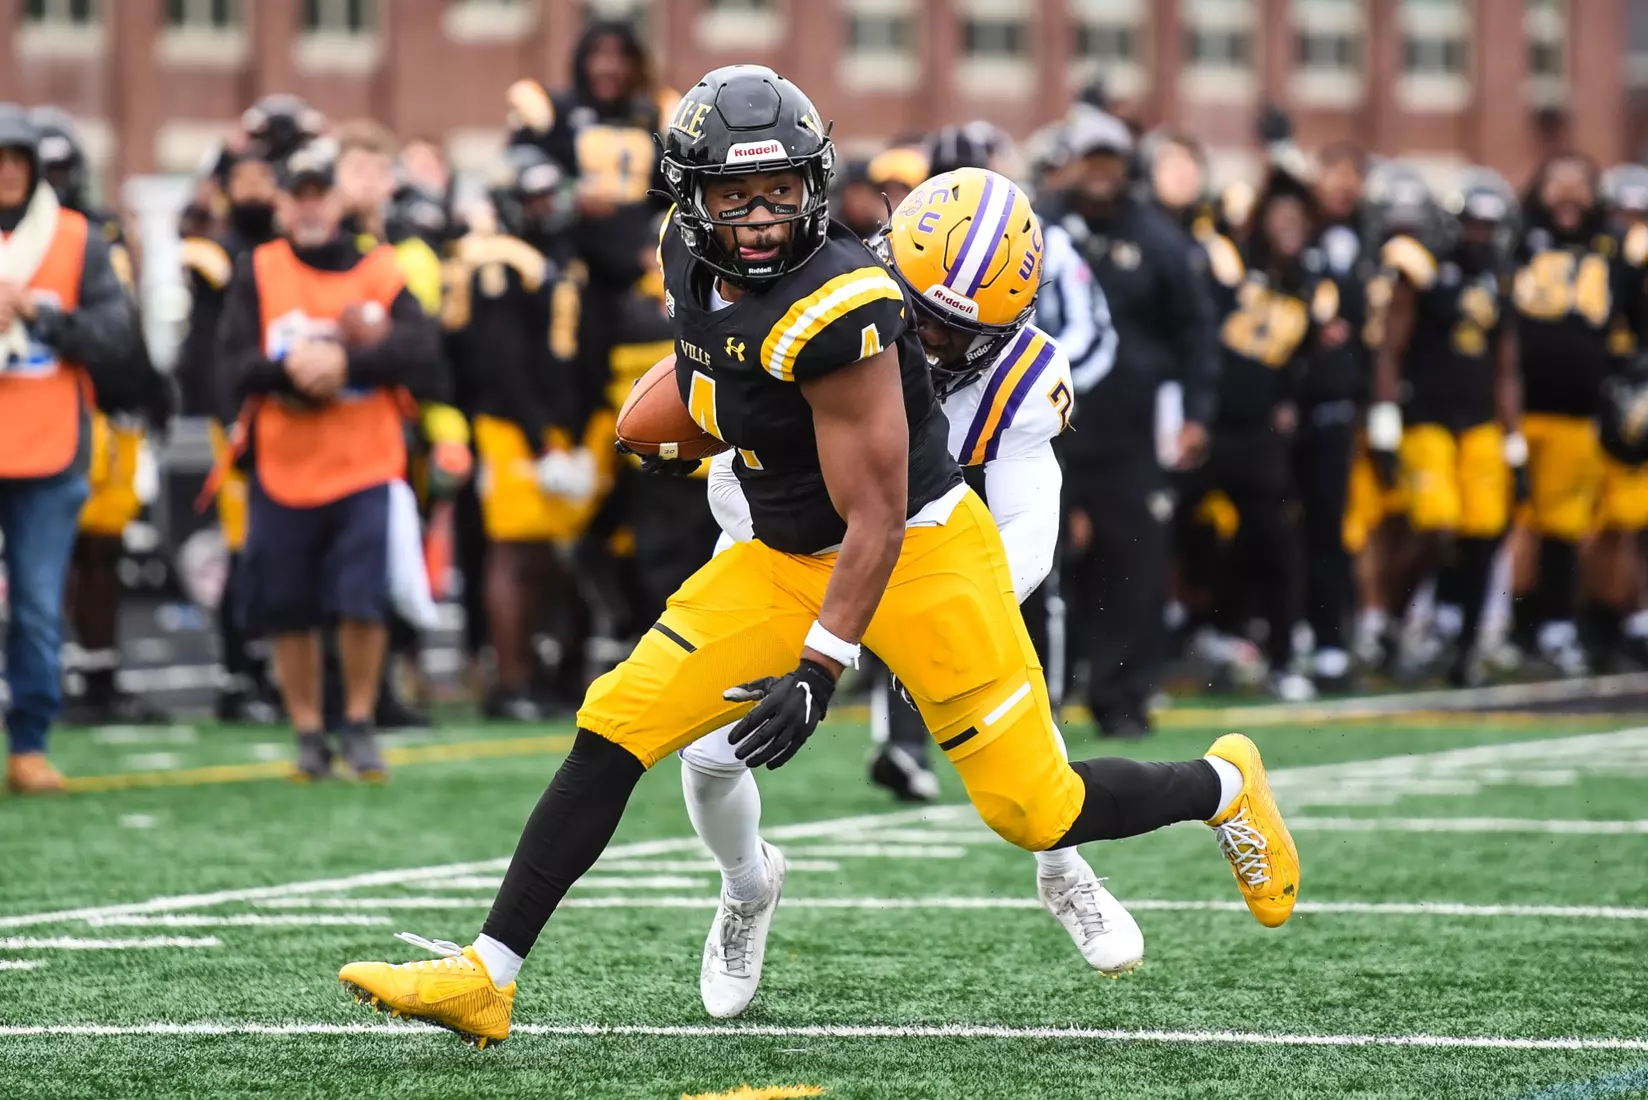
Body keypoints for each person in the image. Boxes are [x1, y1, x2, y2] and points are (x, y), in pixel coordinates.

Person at [337, 65, 1299, 1048]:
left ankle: (1224, 784)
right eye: (732, 194)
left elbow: (876, 515)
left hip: (921, 552)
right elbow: (718, 362)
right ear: (690, 197)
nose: (757, 217)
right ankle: (487, 976)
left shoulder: (842, 311)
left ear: (815, 185)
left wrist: (816, 669)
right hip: (781, 548)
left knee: (1035, 808)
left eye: (779, 192)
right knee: (616, 719)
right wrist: (703, 414)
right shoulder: (682, 251)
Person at [682, 167, 1141, 1022]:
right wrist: (840, 622)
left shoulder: (1023, 381)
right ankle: (748, 886)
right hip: (784, 547)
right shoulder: (816, 301)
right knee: (710, 757)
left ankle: (1061, 862)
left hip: (936, 563)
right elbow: (738, 495)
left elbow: (1027, 536)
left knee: (1022, 738)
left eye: (949, 329)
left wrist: (926, 622)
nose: (923, 341)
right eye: (916, 311)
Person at [214, 140, 442, 781]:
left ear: (340, 201)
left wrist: (348, 362)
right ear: (282, 204)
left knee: (361, 599)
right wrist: (291, 371)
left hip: (366, 461)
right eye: (299, 195)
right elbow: (229, 367)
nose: (310, 207)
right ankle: (310, 730)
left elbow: (421, 345)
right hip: (284, 465)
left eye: (321, 194)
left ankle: (362, 721)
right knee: (287, 603)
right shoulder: (258, 269)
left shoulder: (378, 268)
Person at [1037, 108, 1217, 737]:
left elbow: (1196, 332)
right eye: (1091, 161)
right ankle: (1038, 703)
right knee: (1039, 563)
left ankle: (1123, 697)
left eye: (1111, 162)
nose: (1100, 174)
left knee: (1133, 561)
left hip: (1129, 429)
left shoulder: (1159, 238)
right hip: (1046, 426)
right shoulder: (1041, 224)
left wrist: (1196, 411)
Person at [0, 105, 136, 791]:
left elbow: (117, 337)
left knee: (35, 604)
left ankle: (28, 741)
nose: (8, 174)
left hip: (50, 453)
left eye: (18, 161)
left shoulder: (78, 239)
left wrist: (37, 315)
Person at [32, 105, 176, 724]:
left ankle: (97, 668)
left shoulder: (96, 232)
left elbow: (121, 325)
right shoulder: (25, 243)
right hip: (43, 411)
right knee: (46, 556)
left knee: (102, 547)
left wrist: (149, 386)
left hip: (107, 410)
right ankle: (48, 674)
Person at [1185, 167, 1352, 702]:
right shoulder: (1230, 263)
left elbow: (1307, 360)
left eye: (1298, 218)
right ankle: (1178, 639)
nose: (1289, 225)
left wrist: (1288, 400)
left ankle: (1279, 657)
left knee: (1275, 540)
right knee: (1165, 530)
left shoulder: (1309, 283)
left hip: (1258, 434)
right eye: (1279, 216)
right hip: (1207, 425)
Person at [179, 97, 317, 725]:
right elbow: (209, 348)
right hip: (241, 409)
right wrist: (230, 412)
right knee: (247, 547)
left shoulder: (291, 246)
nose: (259, 188)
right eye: (248, 180)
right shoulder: (218, 252)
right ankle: (238, 669)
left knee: (283, 547)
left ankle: (269, 668)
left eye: (268, 178)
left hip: (292, 409)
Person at [450, 144, 592, 721]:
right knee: (511, 552)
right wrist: (538, 440)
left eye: (547, 193)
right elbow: (501, 360)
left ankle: (531, 674)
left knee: (541, 557)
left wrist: (572, 434)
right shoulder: (497, 259)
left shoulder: (557, 253)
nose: (543, 206)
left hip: (549, 424)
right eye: (530, 196)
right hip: (511, 424)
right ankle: (508, 683)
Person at [1369, 171, 1525, 685]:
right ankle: (1392, 624)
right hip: (1427, 417)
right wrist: (1386, 421)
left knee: (1484, 533)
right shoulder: (1424, 269)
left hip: (1479, 421)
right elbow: (1391, 347)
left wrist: (1514, 439)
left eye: (1488, 224)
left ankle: (1464, 647)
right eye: (1473, 222)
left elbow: (1506, 363)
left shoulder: (1501, 277)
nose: (1480, 232)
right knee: (1436, 527)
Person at [1512, 153, 1648, 676]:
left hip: (1584, 412)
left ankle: (1574, 627)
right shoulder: (1517, 240)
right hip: (1521, 410)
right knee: (1523, 524)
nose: (1568, 195)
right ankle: (1522, 631)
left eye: (1579, 185)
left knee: (1573, 526)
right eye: (1557, 183)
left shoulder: (1614, 250)